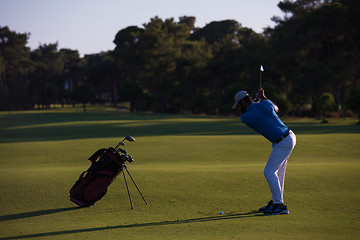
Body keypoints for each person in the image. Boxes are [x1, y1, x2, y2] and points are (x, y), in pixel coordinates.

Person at [232, 88, 296, 215]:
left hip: (283, 142)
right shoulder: (264, 104)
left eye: (238, 105)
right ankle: (276, 201)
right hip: (288, 137)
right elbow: (275, 108)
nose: (238, 109)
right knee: (277, 173)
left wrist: (258, 99)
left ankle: (279, 205)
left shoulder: (245, 117)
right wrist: (263, 97)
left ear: (243, 103)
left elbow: (256, 108)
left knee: (269, 172)